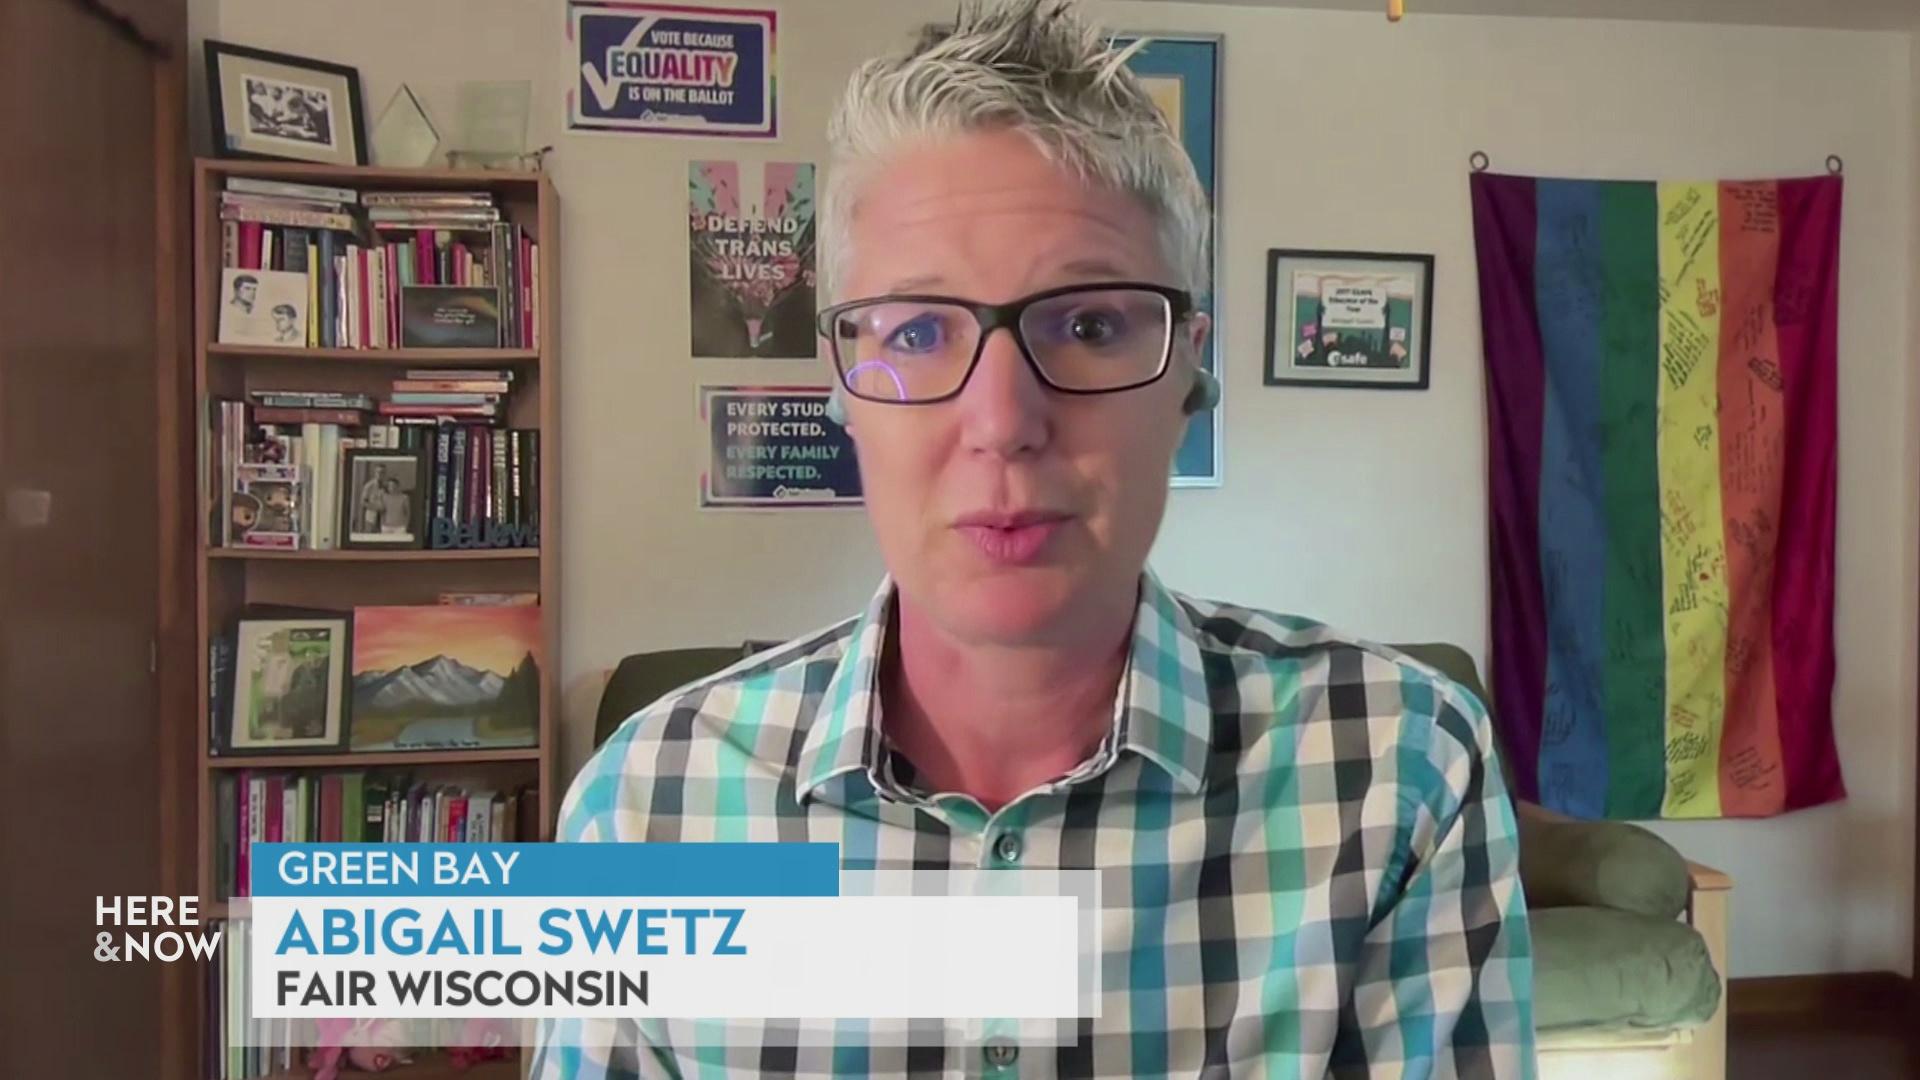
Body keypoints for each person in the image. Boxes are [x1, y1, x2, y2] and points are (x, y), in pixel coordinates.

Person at [538, 2, 1533, 1076]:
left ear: (1189, 376)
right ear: (844, 389)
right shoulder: (646, 809)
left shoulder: (1397, 769)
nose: (1005, 421)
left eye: (1091, 324)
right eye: (919, 331)